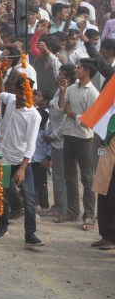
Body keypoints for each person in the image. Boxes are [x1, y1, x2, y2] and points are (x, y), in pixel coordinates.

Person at [0, 77, 44, 245]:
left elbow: (31, 145)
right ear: (16, 91)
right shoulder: (11, 99)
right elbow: (0, 94)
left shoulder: (33, 115)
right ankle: (2, 227)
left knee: (29, 198)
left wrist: (22, 168)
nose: (23, 96)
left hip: (21, 161)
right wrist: (0, 75)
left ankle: (30, 234)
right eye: (20, 92)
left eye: (26, 93)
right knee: (2, 196)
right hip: (2, 157)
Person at [58, 58, 100, 231]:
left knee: (87, 178)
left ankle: (89, 214)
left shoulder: (93, 93)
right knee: (70, 176)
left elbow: (90, 120)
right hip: (69, 135)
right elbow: (62, 107)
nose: (76, 69)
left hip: (84, 138)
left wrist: (73, 115)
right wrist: (62, 92)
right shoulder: (71, 88)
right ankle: (72, 210)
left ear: (87, 72)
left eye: (79, 67)